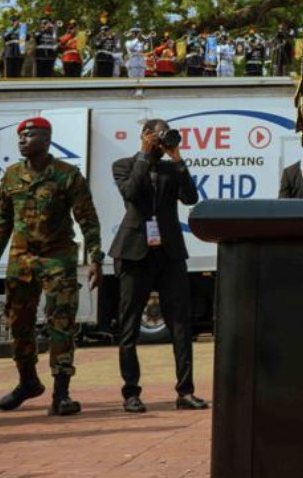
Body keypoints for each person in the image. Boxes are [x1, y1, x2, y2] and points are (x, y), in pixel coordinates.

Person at [0, 116, 103, 416]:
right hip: (20, 259)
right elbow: (2, 221)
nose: (23, 140)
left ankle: (61, 393)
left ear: (47, 139)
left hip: (57, 257)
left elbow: (87, 218)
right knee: (18, 323)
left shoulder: (67, 175)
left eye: (30, 135)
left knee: (61, 322)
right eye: (20, 136)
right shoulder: (11, 176)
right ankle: (28, 382)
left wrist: (96, 258)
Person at [110, 119, 207, 412]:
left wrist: (178, 159)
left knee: (180, 324)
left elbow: (191, 197)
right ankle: (131, 392)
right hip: (134, 251)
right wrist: (143, 153)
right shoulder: (124, 164)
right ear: (144, 137)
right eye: (157, 135)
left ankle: (185, 391)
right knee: (129, 326)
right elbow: (132, 194)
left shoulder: (171, 167)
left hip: (170, 252)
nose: (161, 141)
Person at [0, 14, 26, 78]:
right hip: (9, 55)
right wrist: (13, 28)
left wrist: (23, 28)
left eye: (16, 21)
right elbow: (5, 37)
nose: (16, 22)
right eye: (14, 21)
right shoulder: (5, 30)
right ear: (11, 22)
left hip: (19, 55)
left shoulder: (21, 31)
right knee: (9, 75)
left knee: (18, 75)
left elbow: (27, 38)